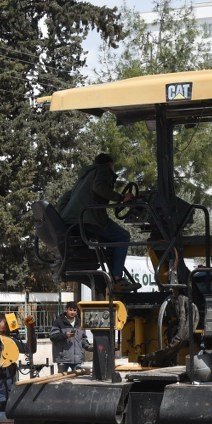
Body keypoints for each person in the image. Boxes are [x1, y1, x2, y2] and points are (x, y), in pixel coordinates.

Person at [59, 152, 135, 292]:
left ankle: (112, 275)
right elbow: (99, 187)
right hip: (89, 220)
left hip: (73, 223)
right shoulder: (103, 170)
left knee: (112, 240)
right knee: (122, 236)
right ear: (110, 164)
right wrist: (121, 198)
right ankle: (117, 278)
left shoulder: (83, 177)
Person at [49, 301, 87, 373]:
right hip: (63, 359)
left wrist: (88, 346)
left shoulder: (80, 322)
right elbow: (53, 337)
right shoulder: (58, 322)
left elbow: (83, 338)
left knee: (78, 381)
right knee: (62, 381)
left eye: (74, 310)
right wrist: (65, 335)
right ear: (66, 310)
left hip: (77, 359)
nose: (72, 312)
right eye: (70, 310)